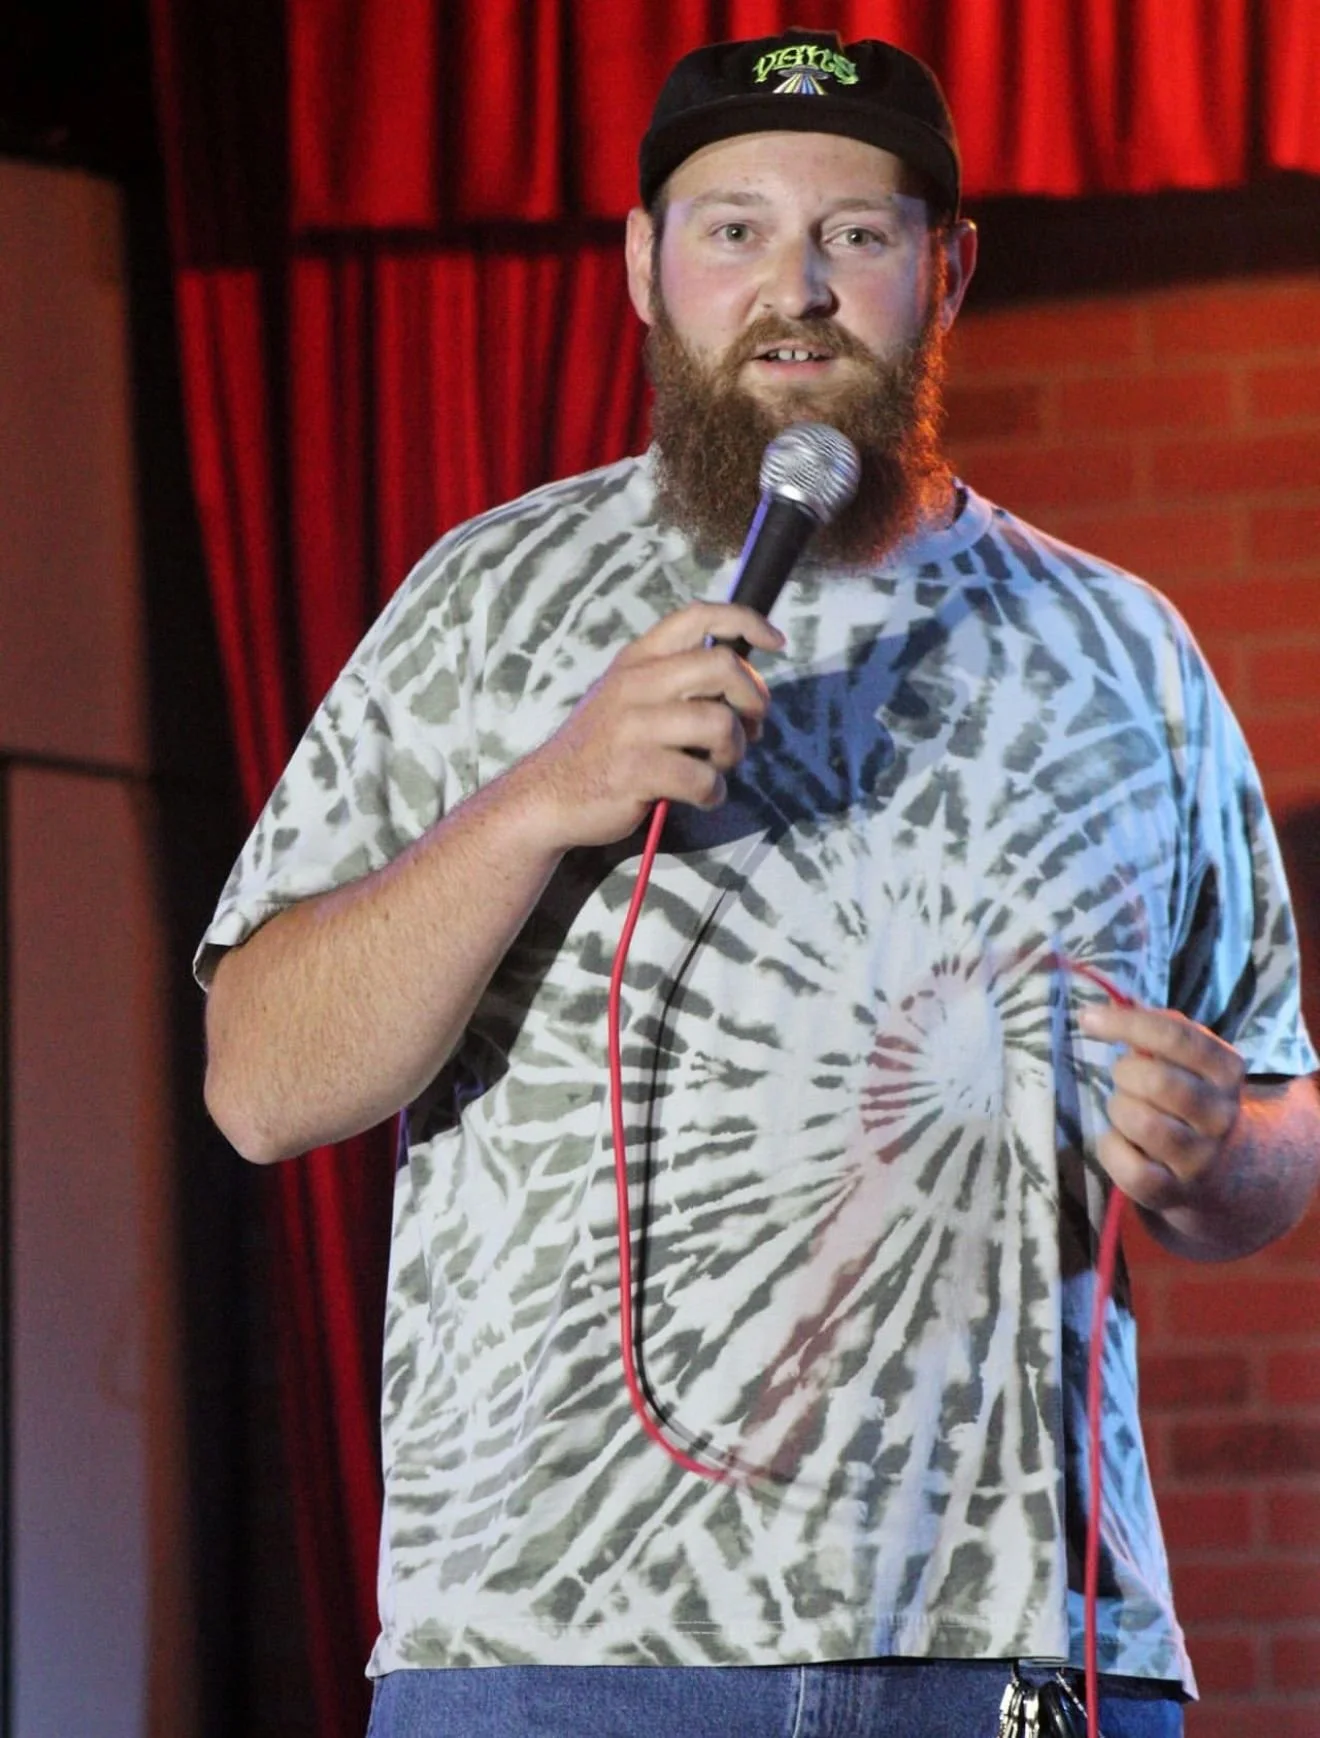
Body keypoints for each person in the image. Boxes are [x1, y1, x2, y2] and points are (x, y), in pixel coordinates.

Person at [198, 27, 1320, 1738]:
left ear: (947, 269)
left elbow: (1275, 1122)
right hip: (553, 1647)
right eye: (730, 228)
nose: (793, 286)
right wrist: (541, 799)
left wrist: (1211, 1149)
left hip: (1013, 1641)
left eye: (856, 235)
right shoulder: (484, 602)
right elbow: (262, 1084)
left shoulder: (1124, 652)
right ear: (643, 266)